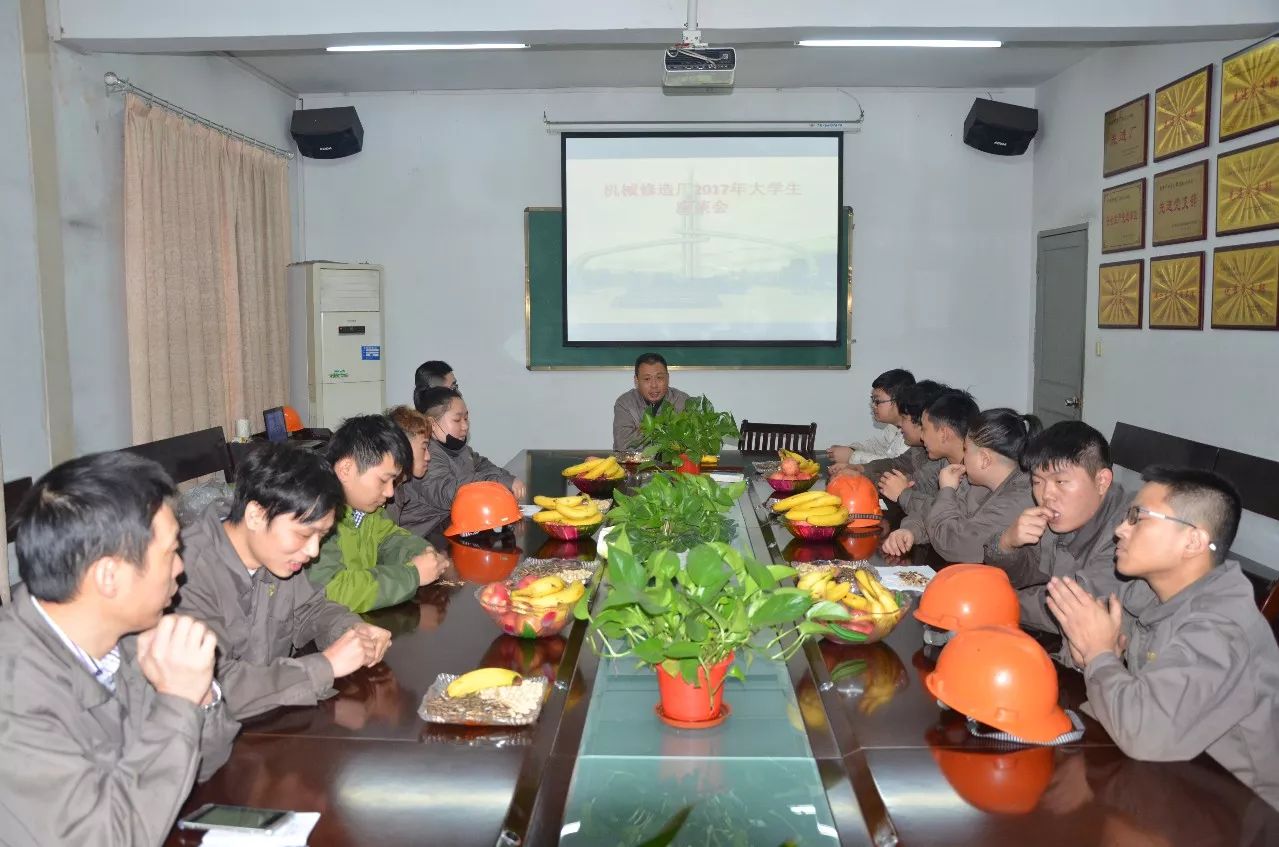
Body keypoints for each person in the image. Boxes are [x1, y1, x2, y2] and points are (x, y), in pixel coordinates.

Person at [0, 452, 239, 845]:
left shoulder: (125, 638)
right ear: (109, 576)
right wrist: (177, 699)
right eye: (169, 553)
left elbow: (203, 766)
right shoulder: (16, 694)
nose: (181, 567)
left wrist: (200, 693)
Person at [1046, 466, 1279, 809]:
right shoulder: (1143, 592)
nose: (1120, 530)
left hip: (1239, 812)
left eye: (1138, 517)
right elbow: (1083, 660)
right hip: (1167, 779)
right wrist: (1093, 655)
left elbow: (1144, 732)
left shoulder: (1221, 628)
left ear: (1193, 541)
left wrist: (1099, 654)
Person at [176, 444, 393, 719]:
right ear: (255, 515)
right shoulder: (185, 574)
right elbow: (215, 686)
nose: (313, 551)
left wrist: (352, 632)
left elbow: (310, 609)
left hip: (267, 722)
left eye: (322, 536)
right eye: (304, 534)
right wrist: (326, 666)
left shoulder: (276, 555)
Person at [984, 420, 1131, 633]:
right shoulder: (1065, 517)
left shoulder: (1127, 533)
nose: (1046, 495)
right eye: (1037, 482)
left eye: (1060, 482)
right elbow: (1024, 575)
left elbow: (1074, 606)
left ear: (1101, 482)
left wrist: (996, 602)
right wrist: (1007, 543)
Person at [307, 415, 451, 613]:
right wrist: (413, 575)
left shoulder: (368, 510)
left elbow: (391, 539)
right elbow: (333, 591)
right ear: (346, 470)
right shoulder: (315, 517)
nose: (390, 492)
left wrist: (423, 553)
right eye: (384, 480)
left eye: (393, 481)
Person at [890, 408, 1038, 561]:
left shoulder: (1018, 500)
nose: (963, 457)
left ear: (985, 460)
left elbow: (953, 544)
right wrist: (911, 531)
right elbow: (937, 514)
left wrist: (947, 490)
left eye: (966, 450)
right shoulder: (980, 484)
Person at [413, 387, 527, 535]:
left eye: (466, 418)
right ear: (432, 424)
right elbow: (448, 491)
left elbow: (483, 465)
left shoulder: (458, 448)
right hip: (430, 535)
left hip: (459, 525)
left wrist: (507, 478)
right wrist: (499, 482)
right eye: (457, 419)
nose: (465, 426)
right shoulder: (427, 454)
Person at [882, 389, 980, 555]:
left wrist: (904, 495)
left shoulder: (978, 477)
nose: (922, 438)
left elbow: (949, 517)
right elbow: (930, 507)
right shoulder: (942, 463)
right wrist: (910, 531)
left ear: (943, 434)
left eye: (925, 429)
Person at [826, 368, 914, 468]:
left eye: (877, 401)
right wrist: (851, 449)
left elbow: (891, 465)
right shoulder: (893, 427)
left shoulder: (912, 435)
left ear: (899, 401)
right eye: (872, 400)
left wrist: (851, 456)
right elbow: (878, 447)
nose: (873, 405)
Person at [612, 352, 691, 452]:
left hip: (672, 466)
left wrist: (642, 431)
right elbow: (623, 445)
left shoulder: (682, 401)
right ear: (636, 381)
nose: (654, 385)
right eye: (647, 379)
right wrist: (666, 434)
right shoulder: (625, 403)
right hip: (633, 466)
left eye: (659, 378)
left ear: (667, 378)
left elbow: (688, 444)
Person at [384, 405, 435, 536]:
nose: (428, 457)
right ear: (403, 446)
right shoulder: (384, 492)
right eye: (424, 447)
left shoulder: (400, 486)